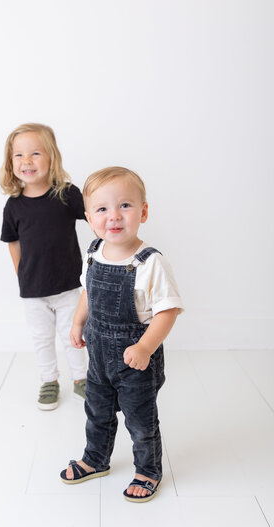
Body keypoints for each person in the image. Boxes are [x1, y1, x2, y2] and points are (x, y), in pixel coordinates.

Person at [60, 166, 184, 502]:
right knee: (96, 413)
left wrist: (145, 347)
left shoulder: (149, 262)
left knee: (140, 422)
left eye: (125, 206)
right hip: (99, 358)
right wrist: (77, 322)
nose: (114, 216)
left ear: (143, 211)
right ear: (88, 217)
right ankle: (95, 459)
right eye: (102, 209)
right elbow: (87, 291)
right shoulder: (94, 252)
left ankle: (147, 470)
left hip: (136, 361)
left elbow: (168, 310)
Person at [0, 123, 87, 410]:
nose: (26, 161)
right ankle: (49, 381)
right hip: (33, 290)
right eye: (19, 155)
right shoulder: (13, 206)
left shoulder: (67, 194)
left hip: (68, 286)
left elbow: (94, 217)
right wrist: (21, 273)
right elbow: (13, 242)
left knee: (74, 334)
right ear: (10, 163)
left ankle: (81, 379)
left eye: (35, 153)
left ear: (51, 157)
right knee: (41, 338)